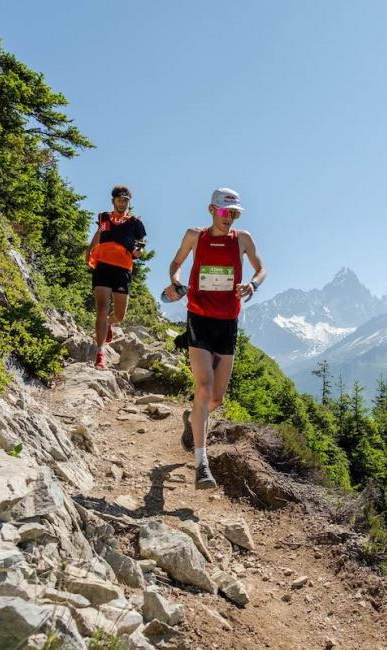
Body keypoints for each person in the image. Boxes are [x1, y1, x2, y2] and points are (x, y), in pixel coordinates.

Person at [164, 188, 265, 489]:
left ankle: (193, 418)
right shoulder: (195, 236)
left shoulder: (243, 239)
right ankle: (201, 465)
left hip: (228, 323)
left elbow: (262, 269)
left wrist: (253, 285)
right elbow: (175, 263)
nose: (230, 218)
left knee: (216, 398)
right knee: (204, 388)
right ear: (212, 209)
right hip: (199, 318)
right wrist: (176, 282)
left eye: (234, 213)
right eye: (225, 212)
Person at [86, 185, 147, 370]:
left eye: (126, 200)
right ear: (113, 200)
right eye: (119, 199)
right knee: (102, 309)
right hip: (102, 266)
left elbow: (141, 244)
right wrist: (89, 252)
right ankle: (100, 353)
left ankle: (110, 325)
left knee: (119, 315)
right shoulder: (103, 217)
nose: (122, 203)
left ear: (129, 202)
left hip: (122, 269)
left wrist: (139, 252)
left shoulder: (135, 222)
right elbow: (99, 233)